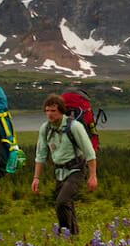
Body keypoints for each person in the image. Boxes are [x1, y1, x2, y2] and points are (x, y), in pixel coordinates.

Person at [31, 94, 97, 236]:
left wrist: (93, 176)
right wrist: (36, 178)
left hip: (77, 169)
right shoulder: (45, 129)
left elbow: (89, 153)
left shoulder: (75, 127)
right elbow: (41, 155)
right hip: (59, 171)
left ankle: (64, 234)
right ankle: (74, 237)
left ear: (61, 111)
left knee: (62, 202)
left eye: (53, 111)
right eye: (47, 110)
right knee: (67, 205)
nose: (49, 114)